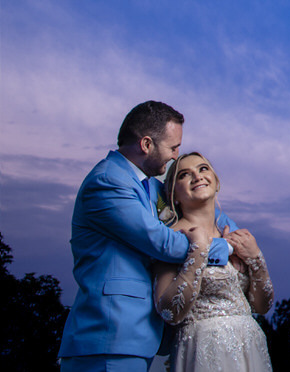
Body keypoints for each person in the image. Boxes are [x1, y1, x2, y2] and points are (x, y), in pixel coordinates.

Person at [59, 101, 237, 372]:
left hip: (138, 337)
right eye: (173, 147)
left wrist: (234, 233)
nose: (176, 156)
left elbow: (197, 207)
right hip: (109, 335)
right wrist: (223, 247)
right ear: (146, 144)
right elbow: (162, 243)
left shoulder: (150, 188)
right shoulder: (106, 182)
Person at [154, 152, 273, 371]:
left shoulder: (236, 237)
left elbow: (262, 306)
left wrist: (256, 258)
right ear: (174, 194)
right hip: (204, 349)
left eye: (203, 169)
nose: (197, 177)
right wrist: (197, 251)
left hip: (249, 347)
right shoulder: (170, 237)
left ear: (216, 182)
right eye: (184, 175)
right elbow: (169, 312)